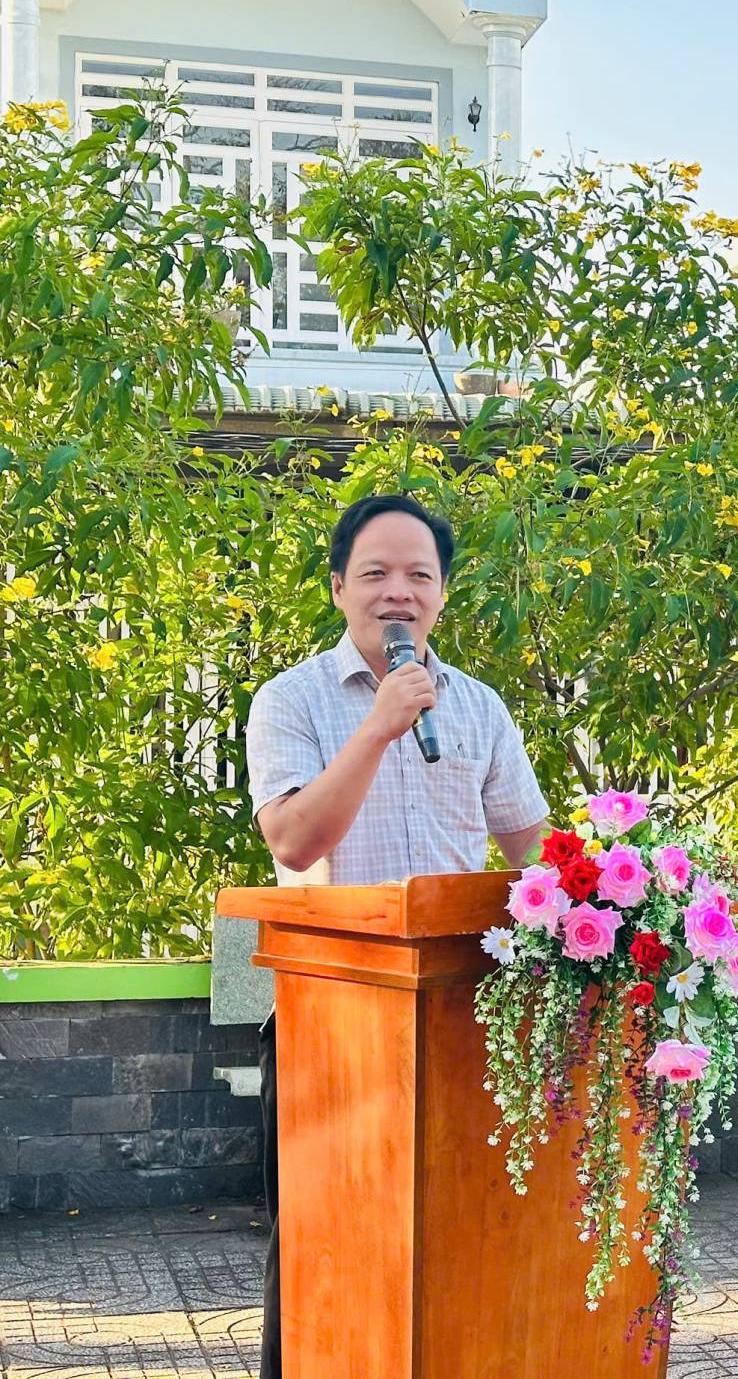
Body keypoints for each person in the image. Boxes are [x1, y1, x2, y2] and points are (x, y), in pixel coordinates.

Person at [242, 493, 550, 1378]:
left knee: (462, 1228)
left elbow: (533, 853)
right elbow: (294, 840)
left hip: (464, 1015)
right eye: (375, 572)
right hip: (329, 1019)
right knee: (322, 1238)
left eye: (419, 575)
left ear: (442, 594)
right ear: (339, 586)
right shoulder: (290, 701)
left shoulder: (480, 708)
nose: (398, 592)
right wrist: (379, 726)